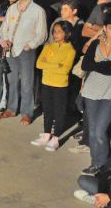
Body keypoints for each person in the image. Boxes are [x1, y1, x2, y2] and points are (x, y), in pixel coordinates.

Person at [0, 0, 48, 125]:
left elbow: (42, 33)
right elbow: (4, 27)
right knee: (11, 81)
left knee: (26, 83)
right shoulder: (12, 8)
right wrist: (4, 40)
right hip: (11, 49)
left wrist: (30, 45)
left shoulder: (38, 11)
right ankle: (11, 108)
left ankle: (26, 113)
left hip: (26, 51)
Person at [79, 14, 111, 176]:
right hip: (91, 91)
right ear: (105, 28)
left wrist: (98, 65)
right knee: (93, 131)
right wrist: (109, 64)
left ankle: (104, 166)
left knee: (100, 131)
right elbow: (86, 64)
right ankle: (95, 163)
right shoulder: (95, 43)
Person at [30, 21, 76, 151]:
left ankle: (55, 139)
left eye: (59, 31)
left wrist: (49, 64)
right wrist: (56, 65)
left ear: (67, 33)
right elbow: (39, 64)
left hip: (60, 85)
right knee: (48, 110)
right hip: (46, 83)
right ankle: (46, 135)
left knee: (59, 112)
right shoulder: (48, 46)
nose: (56, 34)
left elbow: (65, 70)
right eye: (54, 31)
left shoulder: (70, 50)